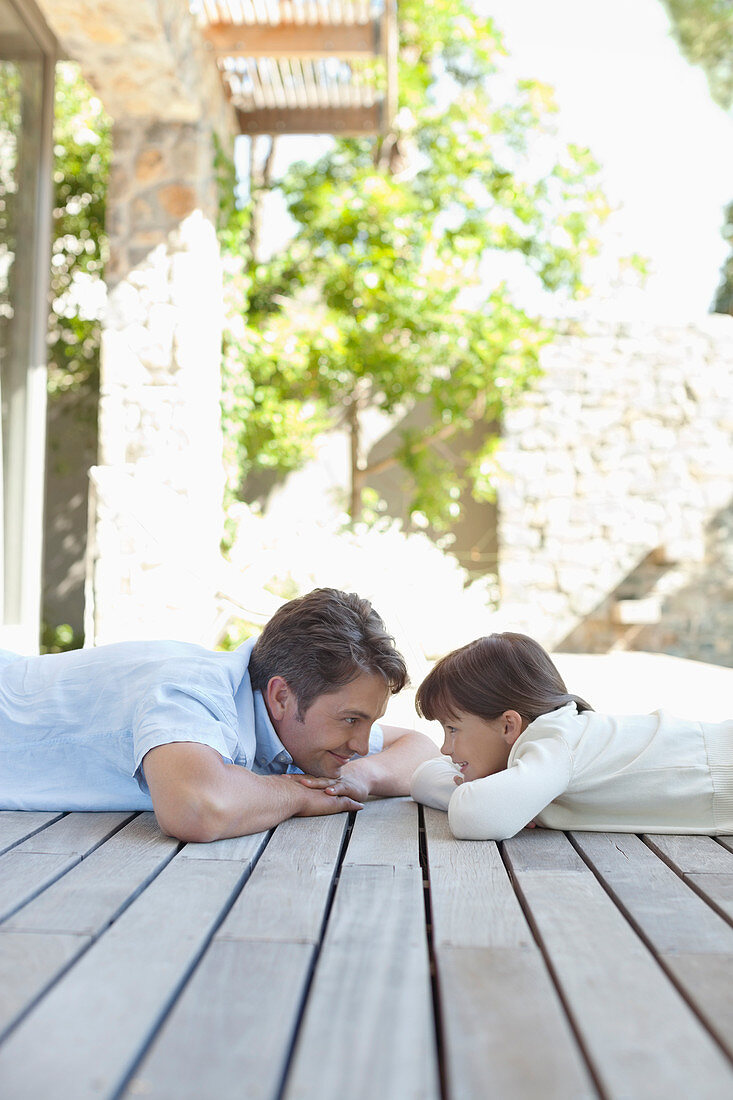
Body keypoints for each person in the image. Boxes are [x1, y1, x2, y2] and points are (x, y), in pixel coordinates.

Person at [0, 588, 438, 842]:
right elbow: (196, 807)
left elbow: (418, 747)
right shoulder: (190, 688)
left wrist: (360, 778)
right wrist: (299, 794)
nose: (361, 745)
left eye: (370, 723)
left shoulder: (296, 716)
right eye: (351, 721)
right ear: (281, 695)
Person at [409, 632, 733, 840]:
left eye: (453, 729)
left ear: (509, 725)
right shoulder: (539, 746)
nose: (445, 747)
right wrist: (507, 798)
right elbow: (423, 777)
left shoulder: (555, 740)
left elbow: (475, 816)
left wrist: (502, 801)